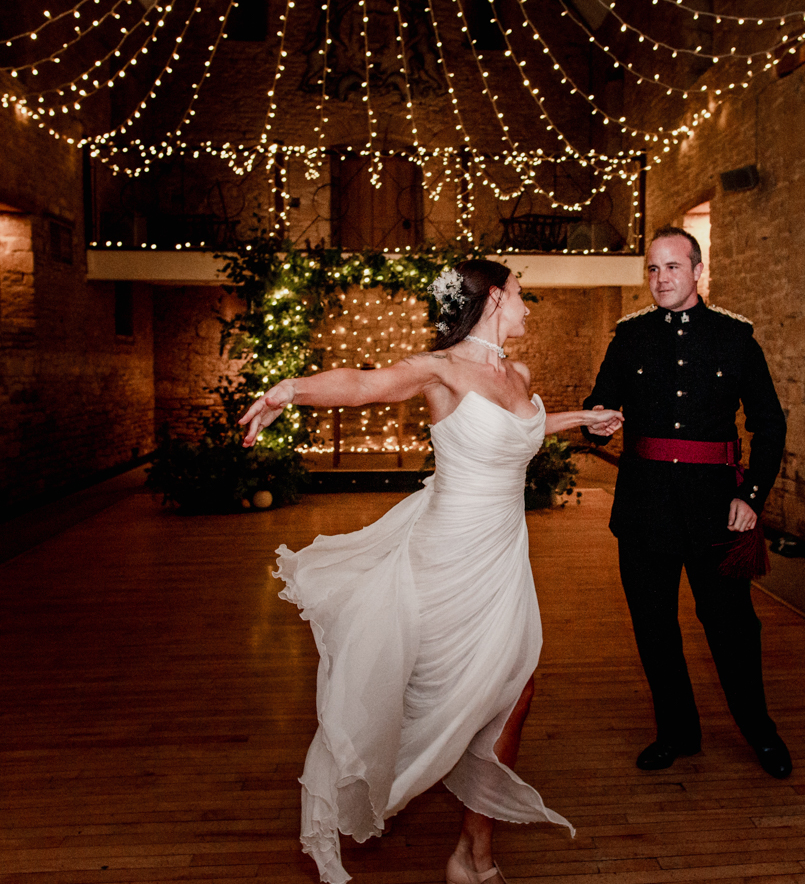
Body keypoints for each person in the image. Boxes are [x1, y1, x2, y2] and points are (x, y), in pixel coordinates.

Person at [240, 259, 622, 884]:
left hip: (504, 558)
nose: (526, 306)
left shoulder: (519, 375)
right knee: (419, 690)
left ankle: (473, 853)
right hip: (446, 556)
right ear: (494, 298)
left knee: (514, 690)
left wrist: (580, 419)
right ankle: (374, 790)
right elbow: (363, 385)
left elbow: (520, 429)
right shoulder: (441, 369)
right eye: (520, 294)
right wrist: (290, 390)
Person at [582, 226, 791, 779]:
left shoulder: (734, 337)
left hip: (715, 509)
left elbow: (769, 425)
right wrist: (596, 421)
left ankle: (760, 731)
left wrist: (751, 496)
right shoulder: (630, 337)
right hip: (644, 507)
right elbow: (599, 402)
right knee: (654, 627)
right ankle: (677, 731)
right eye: (653, 268)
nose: (661, 278)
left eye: (672, 267)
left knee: (732, 626)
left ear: (698, 271)